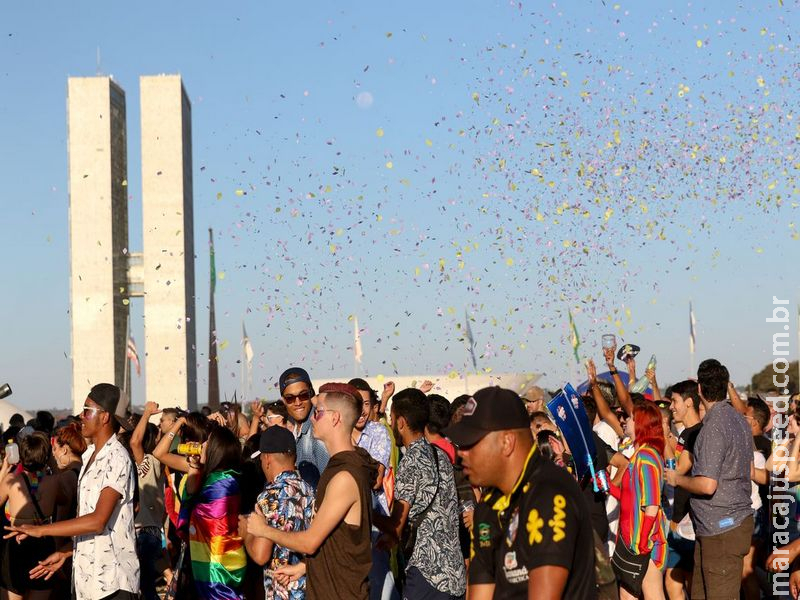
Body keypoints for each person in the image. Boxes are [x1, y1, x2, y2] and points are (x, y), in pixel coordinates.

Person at [446, 387, 596, 599]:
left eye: (470, 443)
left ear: (507, 442)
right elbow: (481, 589)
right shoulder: (488, 506)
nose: (460, 454)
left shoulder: (549, 493)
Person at [247, 382, 378, 600]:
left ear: (335, 418)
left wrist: (263, 530)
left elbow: (310, 542)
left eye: (317, 412)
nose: (312, 417)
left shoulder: (344, 476)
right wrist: (304, 568)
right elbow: (336, 540)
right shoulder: (339, 468)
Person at [7, 383, 139, 600]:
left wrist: (42, 530)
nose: (81, 415)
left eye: (87, 410)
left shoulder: (116, 457)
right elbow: (90, 525)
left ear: (105, 417)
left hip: (112, 584)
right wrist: (66, 551)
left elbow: (97, 521)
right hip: (88, 583)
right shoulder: (88, 458)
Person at [666, 359, 754, 600]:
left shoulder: (714, 426)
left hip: (723, 529)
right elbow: (748, 468)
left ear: (701, 391)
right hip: (720, 527)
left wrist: (677, 479)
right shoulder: (739, 419)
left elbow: (707, 484)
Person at [378, 387, 466, 600]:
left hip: (427, 575)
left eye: (391, 418)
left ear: (401, 422)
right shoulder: (440, 455)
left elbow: (396, 526)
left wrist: (365, 511)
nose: (391, 424)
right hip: (455, 576)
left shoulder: (410, 461)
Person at [606, 402, 668, 600]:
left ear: (641, 423)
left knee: (653, 595)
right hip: (630, 540)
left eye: (631, 418)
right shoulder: (637, 455)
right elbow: (629, 498)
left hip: (645, 542)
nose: (625, 420)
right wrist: (608, 486)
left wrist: (642, 541)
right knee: (626, 595)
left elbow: (652, 504)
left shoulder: (647, 457)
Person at [244, 426, 314, 600]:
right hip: (310, 588)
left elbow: (261, 555)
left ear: (267, 458)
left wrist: (245, 533)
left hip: (281, 593)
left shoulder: (269, 496)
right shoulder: (309, 490)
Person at [178, 424, 246, 599]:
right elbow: (192, 497)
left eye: (207, 442)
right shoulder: (215, 478)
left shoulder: (223, 484)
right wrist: (194, 465)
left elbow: (215, 528)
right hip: (209, 559)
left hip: (219, 565)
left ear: (216, 449)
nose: (202, 445)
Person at [348, 378, 398, 600]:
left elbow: (375, 480)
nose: (362, 410)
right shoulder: (339, 432)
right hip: (346, 523)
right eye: (357, 403)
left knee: (380, 584)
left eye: (367, 404)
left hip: (374, 520)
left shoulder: (378, 432)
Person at [0, 432, 59, 599]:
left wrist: (5, 468)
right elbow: (64, 499)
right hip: (43, 543)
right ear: (46, 457)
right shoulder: (54, 482)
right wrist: (51, 464)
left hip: (16, 543)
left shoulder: (11, 480)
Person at [665, 380, 702, 600]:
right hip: (680, 517)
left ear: (688, 402)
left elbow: (678, 469)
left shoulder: (697, 433)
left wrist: (661, 434)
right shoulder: (685, 433)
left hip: (690, 520)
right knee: (673, 581)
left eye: (674, 401)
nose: (671, 406)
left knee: (689, 581)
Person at [129, 402, 167, 600]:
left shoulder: (149, 463)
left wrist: (147, 413)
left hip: (143, 531)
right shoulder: (159, 464)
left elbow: (135, 442)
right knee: (147, 587)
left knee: (144, 588)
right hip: (153, 530)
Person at [279, 367, 329, 488]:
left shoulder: (318, 431)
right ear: (284, 401)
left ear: (311, 393)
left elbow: (332, 484)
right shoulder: (293, 431)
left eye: (303, 395)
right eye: (290, 398)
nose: (297, 402)